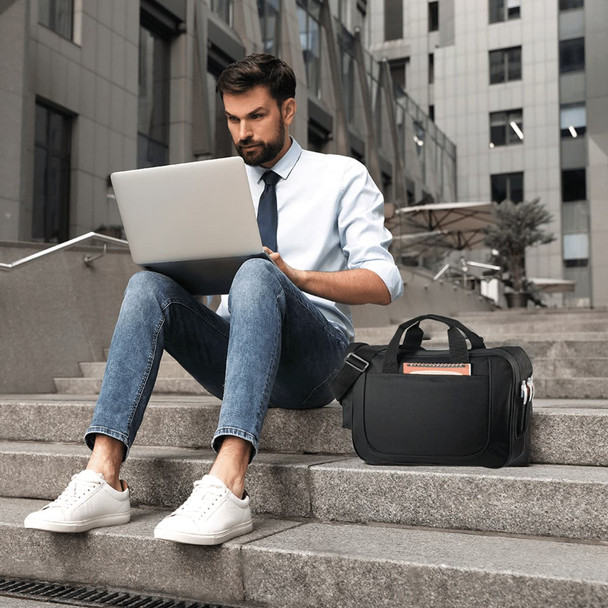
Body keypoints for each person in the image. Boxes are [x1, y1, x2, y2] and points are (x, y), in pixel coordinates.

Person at [24, 53, 403, 545]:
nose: (242, 131)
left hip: (318, 362)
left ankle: (229, 482)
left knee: (258, 271)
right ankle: (104, 475)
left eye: (256, 117)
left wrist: (296, 276)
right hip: (236, 356)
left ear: (288, 111)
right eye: (232, 119)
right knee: (147, 286)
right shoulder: (215, 183)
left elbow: (384, 281)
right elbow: (193, 284)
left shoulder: (341, 176)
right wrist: (176, 263)